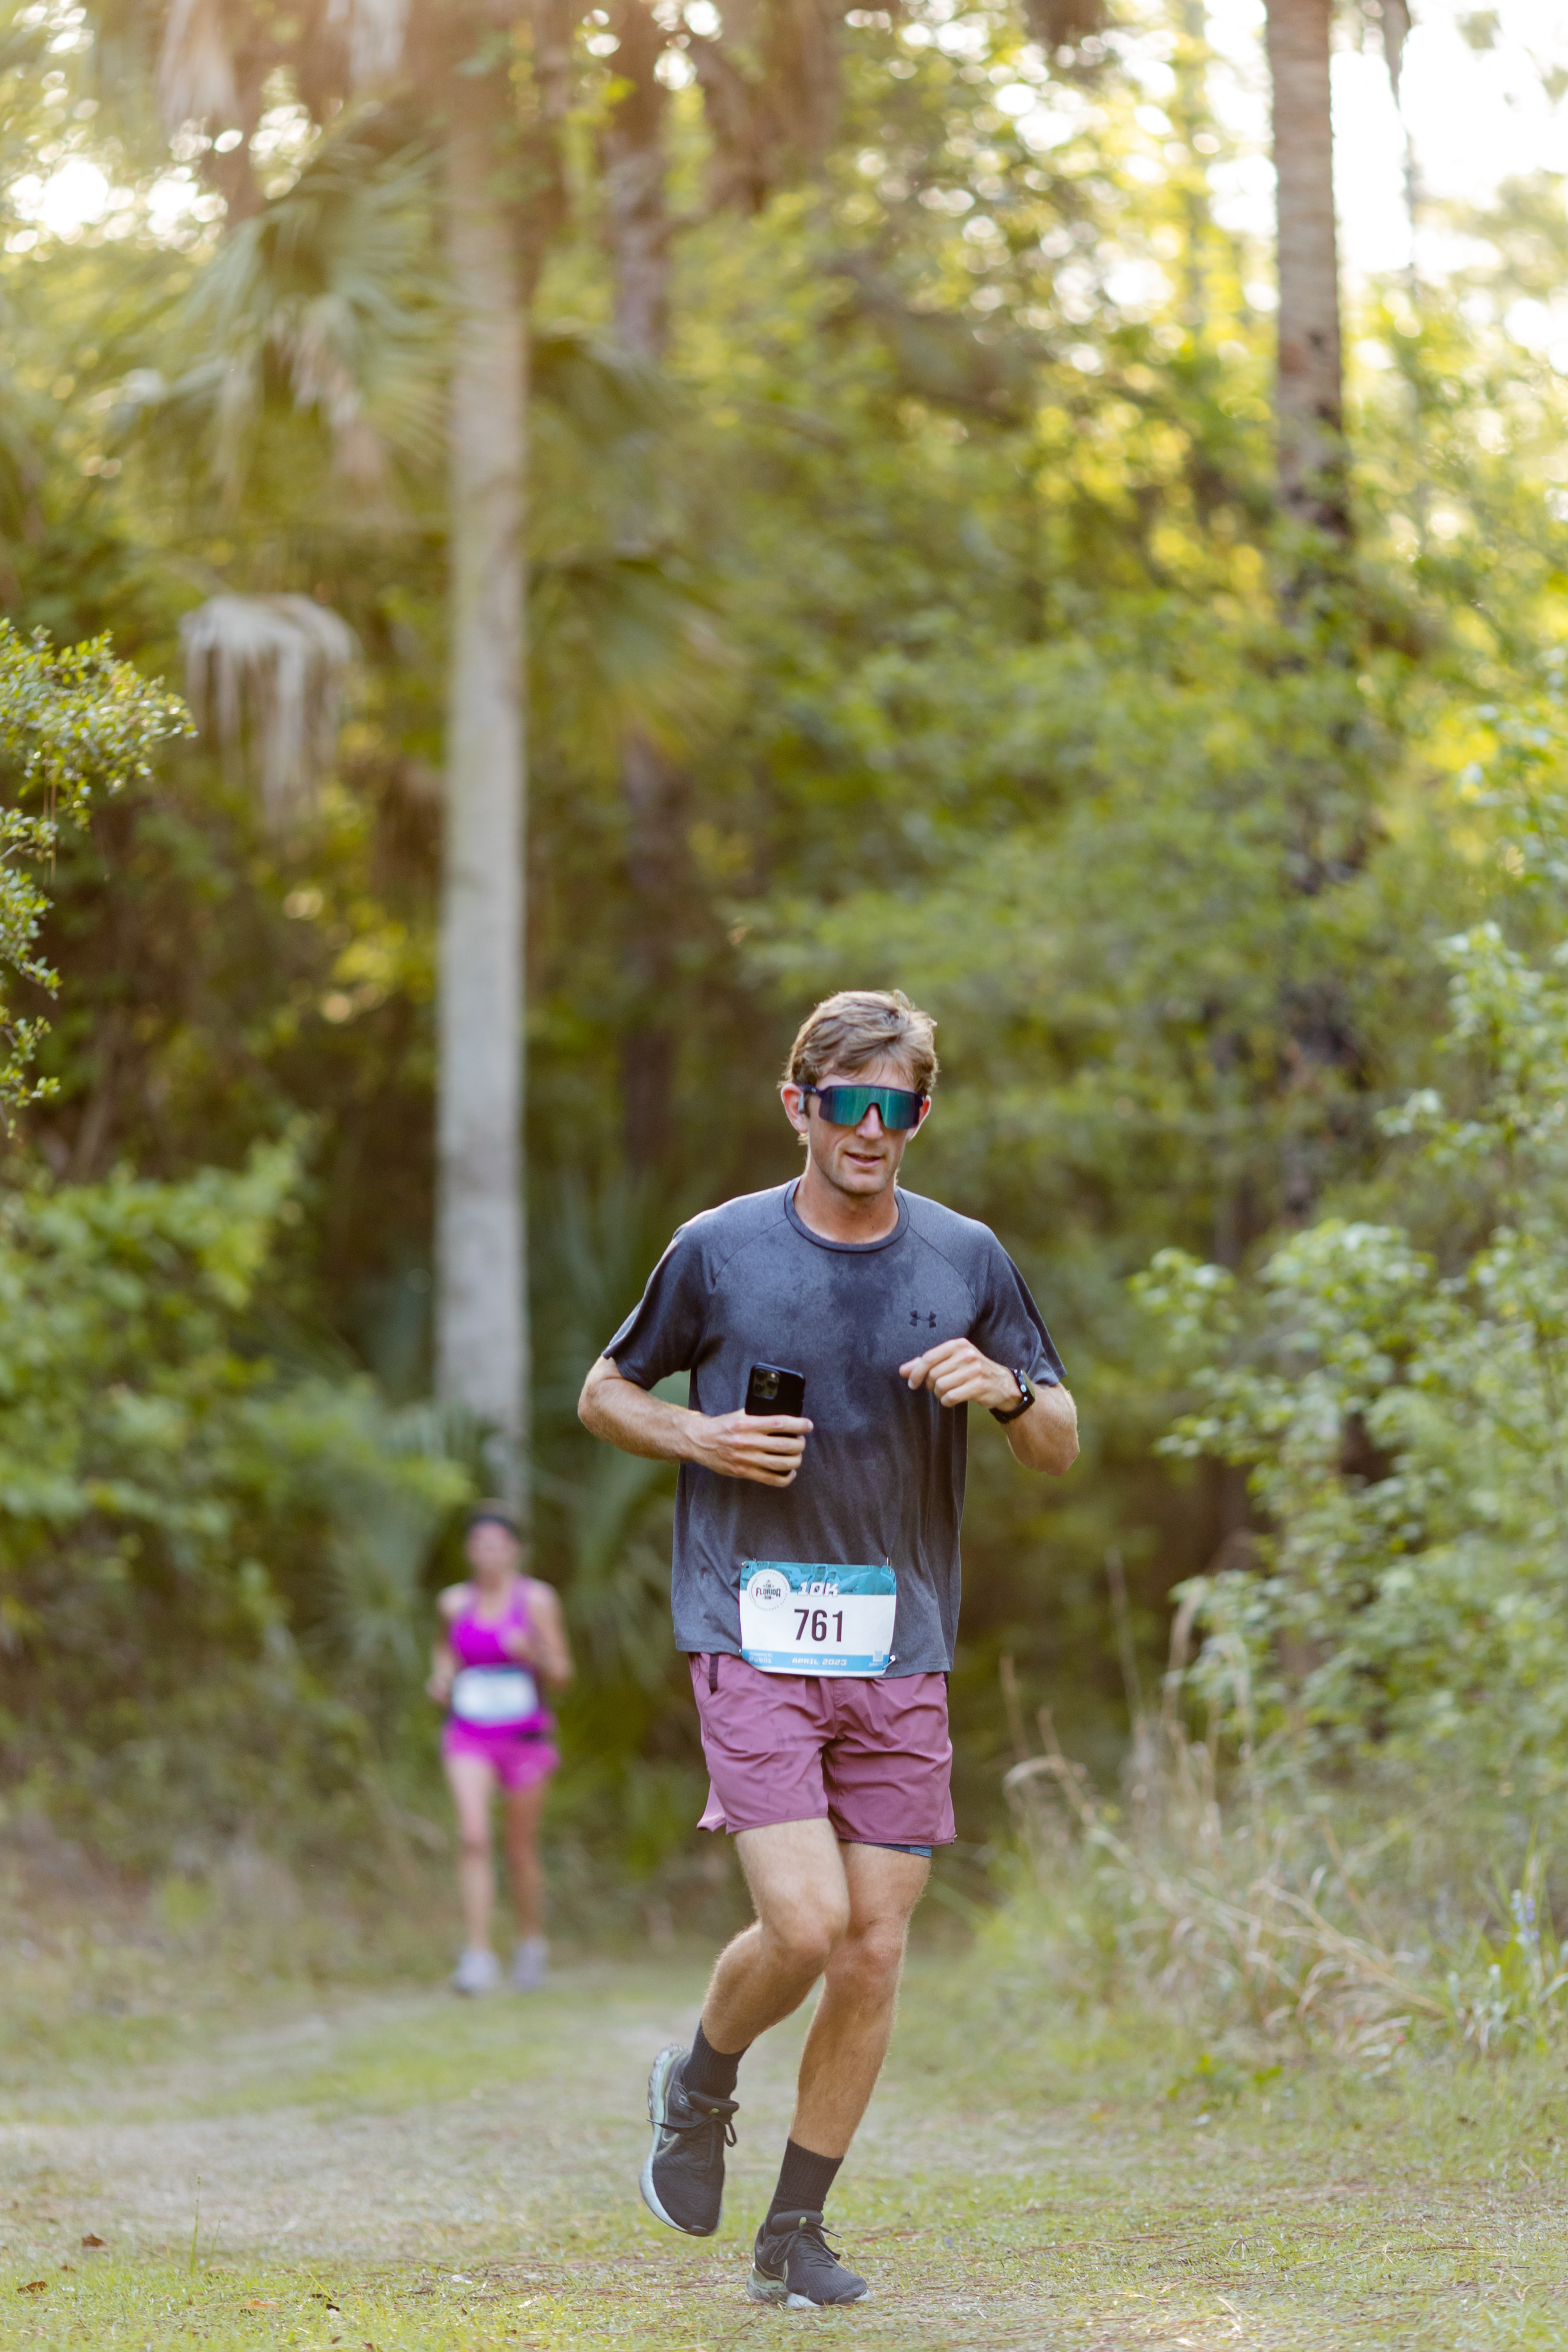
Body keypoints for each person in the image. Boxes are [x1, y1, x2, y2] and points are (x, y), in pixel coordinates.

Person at [577, 988, 1077, 2307]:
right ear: (797, 1103)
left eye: (895, 1103)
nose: (870, 1126)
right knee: (803, 1923)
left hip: (899, 1641)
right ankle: (699, 2080)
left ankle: (792, 2232)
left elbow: (1060, 1437)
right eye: (846, 1100)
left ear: (919, 1112)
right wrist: (703, 1435)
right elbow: (604, 1389)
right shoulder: (719, 1250)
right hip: (747, 1618)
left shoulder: (964, 1256)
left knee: (872, 1947)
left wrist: (1012, 1390)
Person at [428, 1504, 574, 1995]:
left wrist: (531, 1652)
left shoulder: (536, 1600)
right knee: (473, 1836)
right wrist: (442, 1678)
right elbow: (446, 1654)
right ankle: (477, 1956)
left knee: (518, 1849)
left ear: (514, 1550)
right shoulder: (452, 1603)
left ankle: (530, 1943)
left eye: (498, 1545)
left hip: (525, 1738)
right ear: (469, 1552)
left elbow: (562, 1674)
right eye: (479, 1545)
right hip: (468, 1734)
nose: (488, 1554)